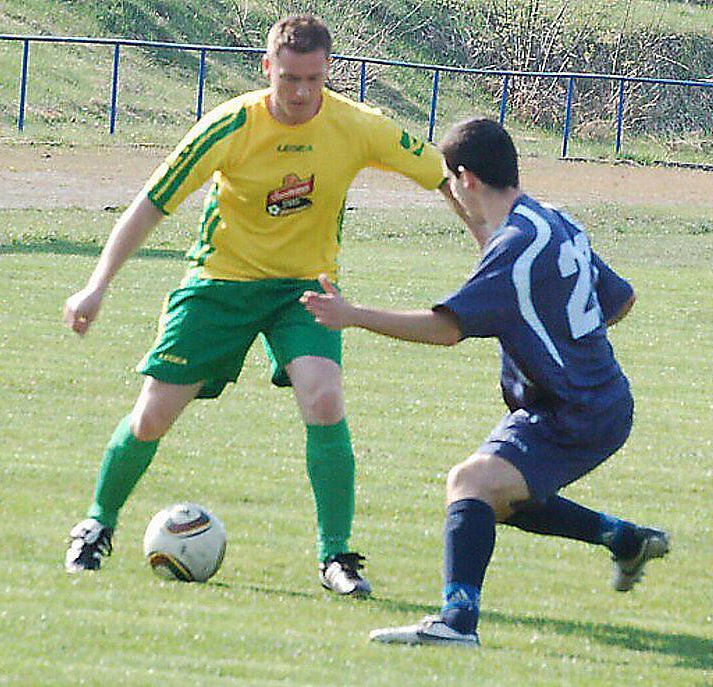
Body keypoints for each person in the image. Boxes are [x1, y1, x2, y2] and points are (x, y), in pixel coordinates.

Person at [62, 15, 449, 596]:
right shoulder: (230, 126)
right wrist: (96, 285)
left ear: (328, 73)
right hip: (220, 283)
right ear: (267, 68)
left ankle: (336, 557)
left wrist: (492, 244)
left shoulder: (357, 126)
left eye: (313, 79)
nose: (299, 92)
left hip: (303, 289)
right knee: (153, 416)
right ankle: (96, 525)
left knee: (324, 398)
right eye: (289, 77)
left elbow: (443, 172)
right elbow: (149, 205)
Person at [301, 118, 670, 642]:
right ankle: (624, 539)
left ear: (466, 179)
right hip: (592, 399)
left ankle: (457, 622)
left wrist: (352, 314)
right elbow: (621, 299)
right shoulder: (553, 221)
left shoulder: (516, 246)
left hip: (576, 410)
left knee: (469, 484)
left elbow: (446, 329)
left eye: (452, 182)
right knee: (494, 495)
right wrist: (565, 342)